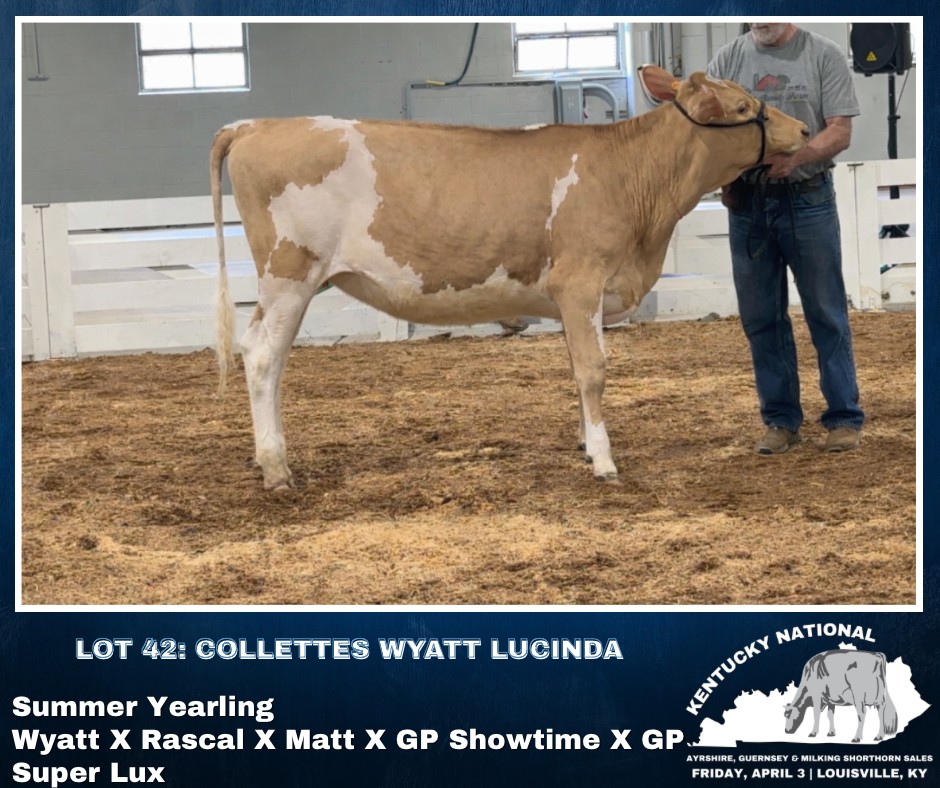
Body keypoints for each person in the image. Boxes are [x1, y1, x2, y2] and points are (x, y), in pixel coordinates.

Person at [707, 23, 865, 455]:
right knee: (761, 318)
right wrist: (726, 179)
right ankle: (780, 420)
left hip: (807, 196)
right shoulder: (727, 59)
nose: (761, 19)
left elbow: (839, 130)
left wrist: (797, 158)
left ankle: (843, 417)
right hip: (749, 202)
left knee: (826, 311)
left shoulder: (823, 54)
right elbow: (712, 130)